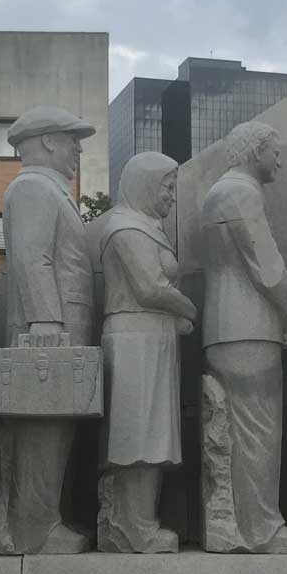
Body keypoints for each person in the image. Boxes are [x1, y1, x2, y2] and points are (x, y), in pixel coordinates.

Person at [0, 105, 97, 555]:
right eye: (72, 140)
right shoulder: (34, 187)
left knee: (53, 428)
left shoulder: (51, 189)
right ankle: (33, 527)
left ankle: (42, 519)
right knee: (41, 428)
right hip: (48, 327)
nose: (77, 150)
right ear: (49, 141)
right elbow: (33, 258)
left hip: (57, 325)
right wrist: (47, 321)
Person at [200, 121, 287, 554]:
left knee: (242, 429)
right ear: (254, 151)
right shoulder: (240, 193)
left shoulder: (222, 192)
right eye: (274, 149)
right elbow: (267, 267)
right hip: (247, 324)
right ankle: (259, 527)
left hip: (229, 325)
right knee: (258, 428)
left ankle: (242, 524)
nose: (279, 158)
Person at [95, 152, 196, 553]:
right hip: (134, 338)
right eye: (166, 187)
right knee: (136, 436)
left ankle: (140, 522)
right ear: (144, 186)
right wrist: (189, 308)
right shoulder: (124, 227)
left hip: (153, 338)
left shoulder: (145, 227)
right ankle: (132, 527)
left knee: (153, 437)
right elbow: (149, 288)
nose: (172, 195)